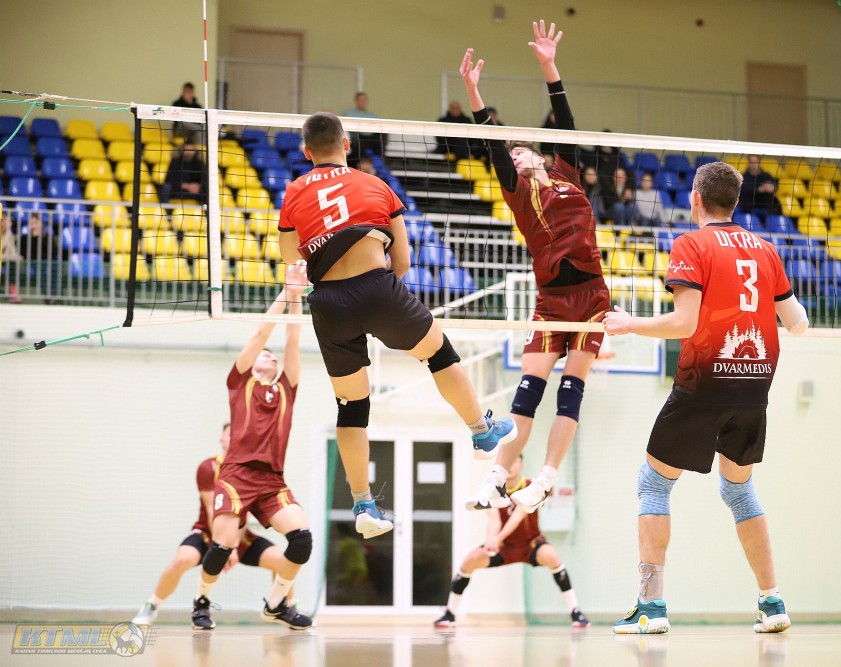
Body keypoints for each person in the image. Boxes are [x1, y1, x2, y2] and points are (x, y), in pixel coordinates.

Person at [276, 111, 516, 541]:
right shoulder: (375, 185)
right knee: (439, 354)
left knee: (352, 406)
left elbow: (288, 253)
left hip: (328, 303)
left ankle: (363, 504)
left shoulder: (295, 190)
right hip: (377, 289)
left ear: (307, 152)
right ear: (346, 144)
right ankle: (481, 432)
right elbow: (402, 262)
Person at [602, 161, 809, 635]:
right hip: (754, 386)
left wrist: (629, 323)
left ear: (695, 198)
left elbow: (685, 323)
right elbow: (797, 323)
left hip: (704, 384)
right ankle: (772, 602)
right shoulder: (765, 249)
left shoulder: (691, 244)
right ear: (734, 201)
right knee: (738, 490)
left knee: (653, 484)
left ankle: (651, 608)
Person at [459, 20, 611, 514]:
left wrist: (550, 66)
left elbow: (565, 119)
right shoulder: (518, 192)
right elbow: (491, 144)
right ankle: (496, 479)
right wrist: (473, 93)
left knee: (571, 393)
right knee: (527, 394)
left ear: (541, 156)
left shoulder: (567, 172)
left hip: (591, 297)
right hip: (552, 302)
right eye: (513, 153)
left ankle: (545, 478)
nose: (516, 155)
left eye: (522, 149)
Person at [191, 270, 313, 631]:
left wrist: (297, 297)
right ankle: (201, 602)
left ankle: (276, 604)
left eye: (274, 357)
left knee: (301, 539)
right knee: (223, 545)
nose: (271, 357)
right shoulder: (240, 381)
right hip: (237, 475)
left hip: (272, 480)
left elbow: (293, 337)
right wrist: (285, 292)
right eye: (265, 355)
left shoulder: (287, 388)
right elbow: (263, 333)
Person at [132, 424, 301, 625]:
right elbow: (214, 510)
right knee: (182, 559)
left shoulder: (252, 471)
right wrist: (225, 547)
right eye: (231, 433)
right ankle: (152, 605)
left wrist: (234, 546)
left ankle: (287, 607)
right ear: (221, 439)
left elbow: (244, 513)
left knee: (281, 560)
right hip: (208, 532)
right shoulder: (208, 468)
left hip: (240, 534)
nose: (236, 437)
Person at [434, 455, 590, 628]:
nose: (511, 466)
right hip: (504, 547)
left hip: (530, 545)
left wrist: (497, 538)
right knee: (469, 561)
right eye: (508, 461)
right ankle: (449, 613)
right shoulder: (493, 490)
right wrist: (490, 541)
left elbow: (517, 517)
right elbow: (494, 520)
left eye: (515, 461)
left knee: (551, 556)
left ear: (521, 465)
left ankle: (575, 612)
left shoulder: (530, 487)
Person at [161, 139, 208, 204]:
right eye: (187, 150)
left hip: (195, 192)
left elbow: (205, 180)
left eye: (192, 150)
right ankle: (165, 208)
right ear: (182, 151)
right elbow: (168, 180)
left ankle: (206, 208)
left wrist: (199, 186)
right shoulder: (175, 161)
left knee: (208, 188)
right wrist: (186, 186)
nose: (189, 152)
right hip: (178, 190)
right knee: (166, 187)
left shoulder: (200, 163)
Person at [342, 91, 383, 165]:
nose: (362, 102)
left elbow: (376, 127)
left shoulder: (372, 115)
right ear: (356, 101)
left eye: (364, 100)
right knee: (358, 142)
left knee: (382, 136)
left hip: (370, 137)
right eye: (360, 100)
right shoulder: (350, 113)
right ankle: (361, 162)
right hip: (357, 137)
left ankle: (378, 161)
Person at [1, 210, 22, 303]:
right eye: (9, 221)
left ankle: (13, 293)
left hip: (4, 260)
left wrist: (17, 256)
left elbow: (12, 251)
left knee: (12, 265)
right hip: (3, 259)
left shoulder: (9, 235)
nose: (11, 223)